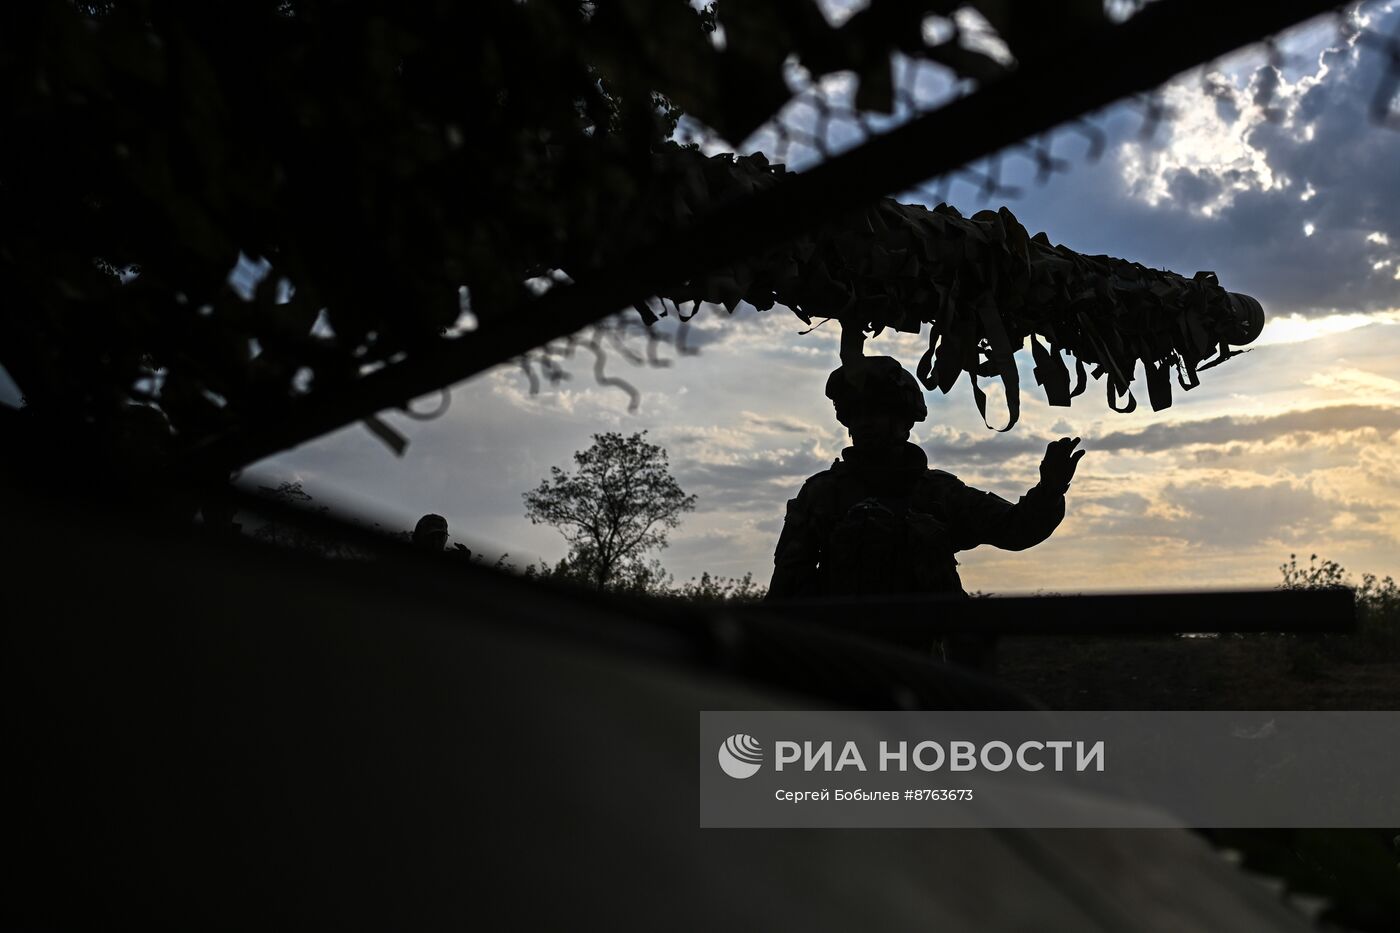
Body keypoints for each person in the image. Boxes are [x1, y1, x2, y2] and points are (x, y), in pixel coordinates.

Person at [766, 356, 1084, 666]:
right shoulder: (822, 493)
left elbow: (1016, 530)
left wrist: (1050, 491)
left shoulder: (938, 493)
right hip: (837, 666)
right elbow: (785, 591)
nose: (863, 423)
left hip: (919, 669)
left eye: (876, 412)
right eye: (854, 414)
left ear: (903, 421)